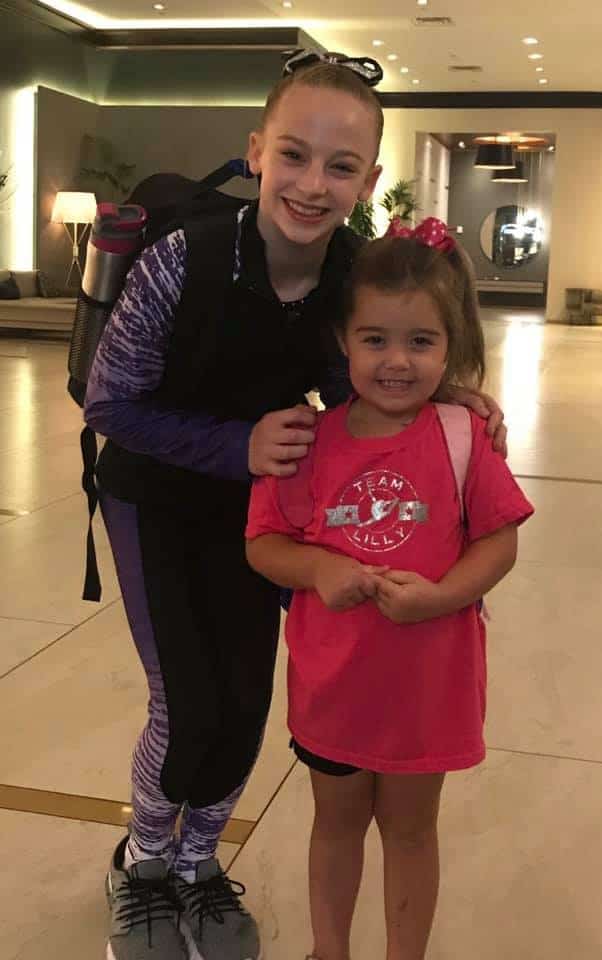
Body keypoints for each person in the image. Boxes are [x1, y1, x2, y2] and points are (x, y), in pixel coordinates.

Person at [84, 50, 507, 960]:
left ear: (368, 180)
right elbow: (108, 403)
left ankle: (198, 863)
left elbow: (362, 380)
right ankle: (144, 865)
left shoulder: (350, 273)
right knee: (186, 704)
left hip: (272, 510)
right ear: (256, 153)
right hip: (158, 498)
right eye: (293, 155)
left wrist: (451, 403)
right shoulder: (182, 261)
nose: (313, 185)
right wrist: (233, 445)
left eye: (340, 165)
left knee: (243, 703)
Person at [245, 219, 533, 960]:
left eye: (420, 341)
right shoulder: (308, 441)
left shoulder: (463, 438)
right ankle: (329, 950)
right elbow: (264, 543)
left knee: (409, 831)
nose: (397, 361)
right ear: (342, 341)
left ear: (450, 347)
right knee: (335, 825)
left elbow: (499, 541)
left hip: (426, 691)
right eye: (374, 339)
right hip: (333, 686)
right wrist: (318, 569)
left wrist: (441, 596)